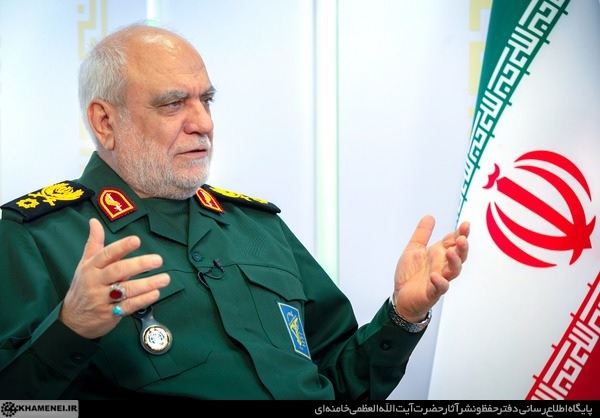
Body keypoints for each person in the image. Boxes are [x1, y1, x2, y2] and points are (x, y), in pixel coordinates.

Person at [0, 23, 469, 400]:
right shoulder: (34, 237)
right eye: (173, 104)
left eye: (206, 100)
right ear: (105, 121)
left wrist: (402, 317)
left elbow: (341, 384)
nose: (203, 123)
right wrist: (70, 331)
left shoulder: (257, 226)